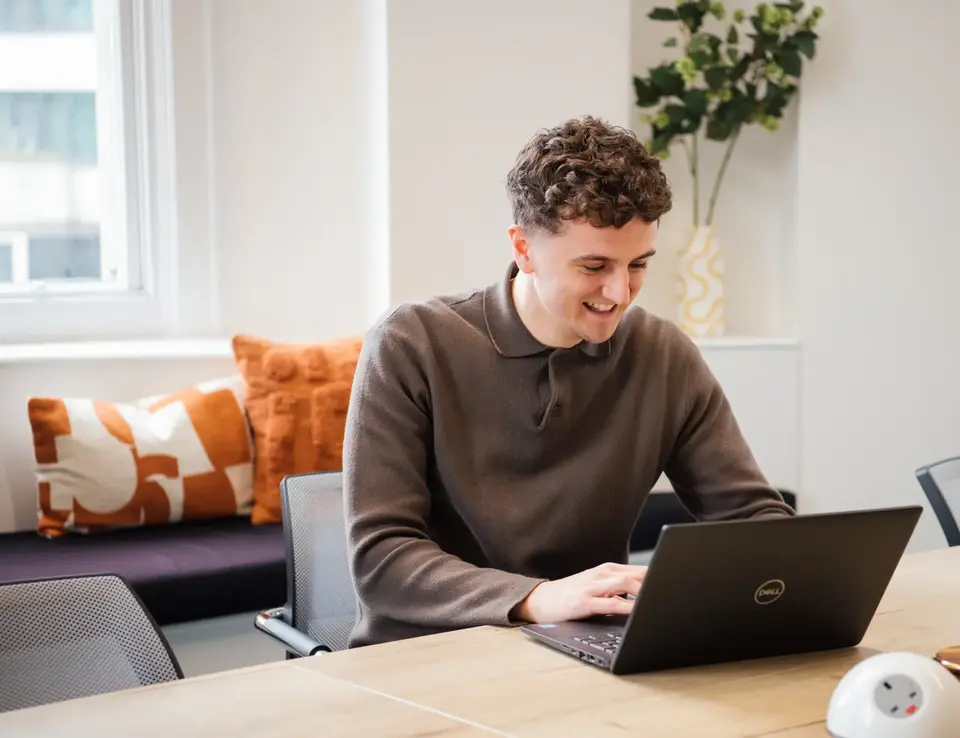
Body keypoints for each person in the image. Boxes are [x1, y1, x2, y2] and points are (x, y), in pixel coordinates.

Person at [342, 115, 795, 648]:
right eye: (594, 266)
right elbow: (381, 558)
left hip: (582, 649)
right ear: (523, 248)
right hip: (426, 655)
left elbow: (752, 518)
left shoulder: (663, 355)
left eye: (638, 265)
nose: (620, 293)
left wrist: (775, 566)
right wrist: (537, 598)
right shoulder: (411, 343)